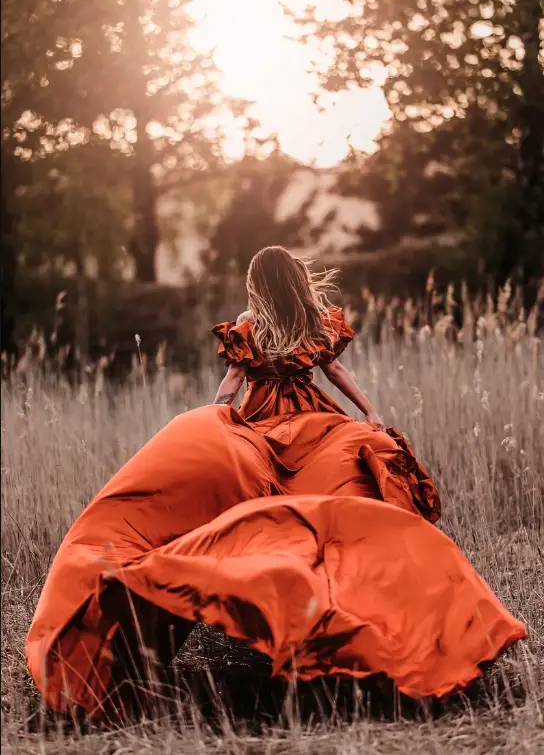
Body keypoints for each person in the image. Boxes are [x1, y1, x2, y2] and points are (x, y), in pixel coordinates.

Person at [26, 246, 526, 721]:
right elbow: (333, 373)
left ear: (256, 285)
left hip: (266, 422)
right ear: (295, 281)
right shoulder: (308, 321)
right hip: (309, 418)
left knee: (284, 493)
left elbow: (237, 385)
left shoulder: (257, 325)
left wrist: (215, 415)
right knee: (326, 492)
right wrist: (367, 413)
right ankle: (357, 614)